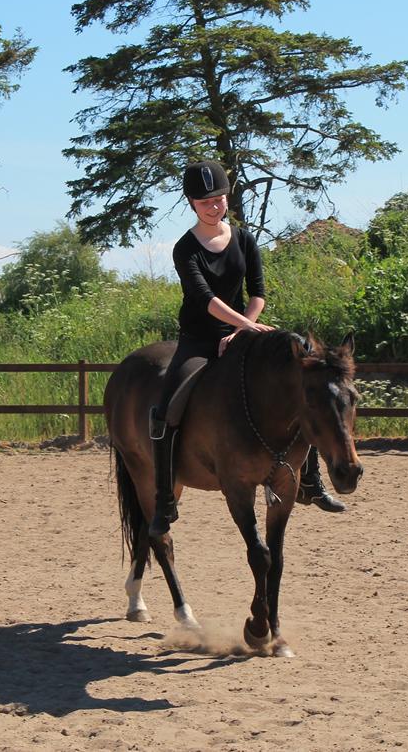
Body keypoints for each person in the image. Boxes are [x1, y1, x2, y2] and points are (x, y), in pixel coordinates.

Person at [148, 159, 346, 537]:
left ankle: (312, 482)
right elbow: (204, 298)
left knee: (304, 378)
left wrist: (245, 328)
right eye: (206, 201)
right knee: (166, 406)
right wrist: (245, 324)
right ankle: (163, 500)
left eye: (220, 198)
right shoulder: (185, 248)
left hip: (245, 332)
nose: (215, 206)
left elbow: (258, 292)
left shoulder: (244, 239)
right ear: (192, 202)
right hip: (200, 339)